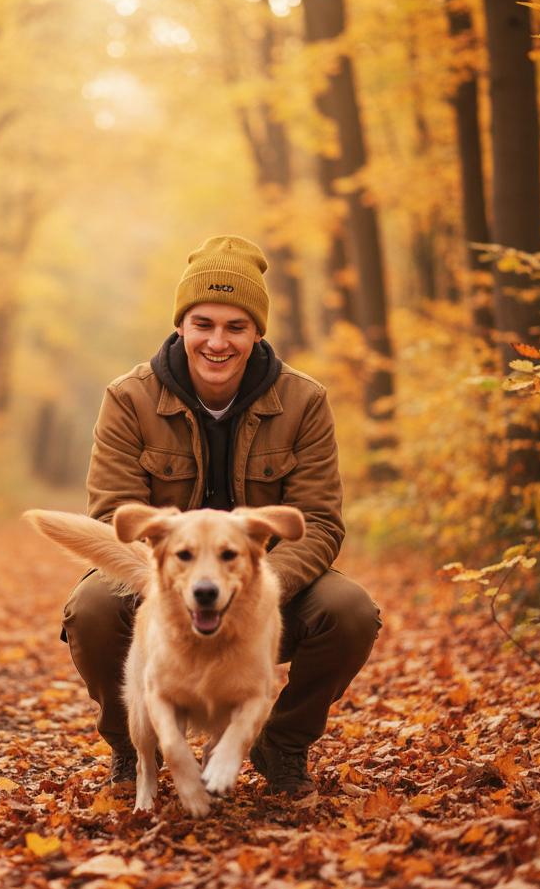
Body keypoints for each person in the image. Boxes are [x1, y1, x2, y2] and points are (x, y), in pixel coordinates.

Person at [60, 235, 381, 796]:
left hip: (260, 579)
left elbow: (321, 520)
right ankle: (132, 751)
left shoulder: (304, 401)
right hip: (164, 574)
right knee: (91, 608)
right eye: (203, 323)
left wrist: (260, 586)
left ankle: (279, 745)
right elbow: (115, 514)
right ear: (181, 325)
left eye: (236, 326)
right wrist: (172, 583)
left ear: (258, 332)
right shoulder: (129, 398)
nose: (217, 341)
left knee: (349, 611)